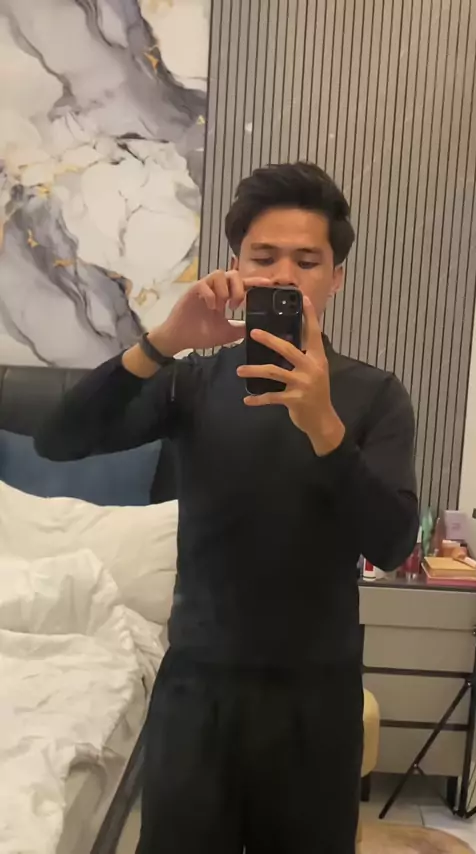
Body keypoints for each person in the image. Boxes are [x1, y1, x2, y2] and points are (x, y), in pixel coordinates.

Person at [36, 162, 418, 854]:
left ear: (336, 278)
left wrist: (325, 427)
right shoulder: (191, 382)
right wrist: (163, 341)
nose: (284, 276)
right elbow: (59, 440)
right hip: (197, 692)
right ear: (235, 267)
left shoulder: (373, 396)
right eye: (263, 257)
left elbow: (392, 544)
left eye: (307, 261)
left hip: (316, 701)